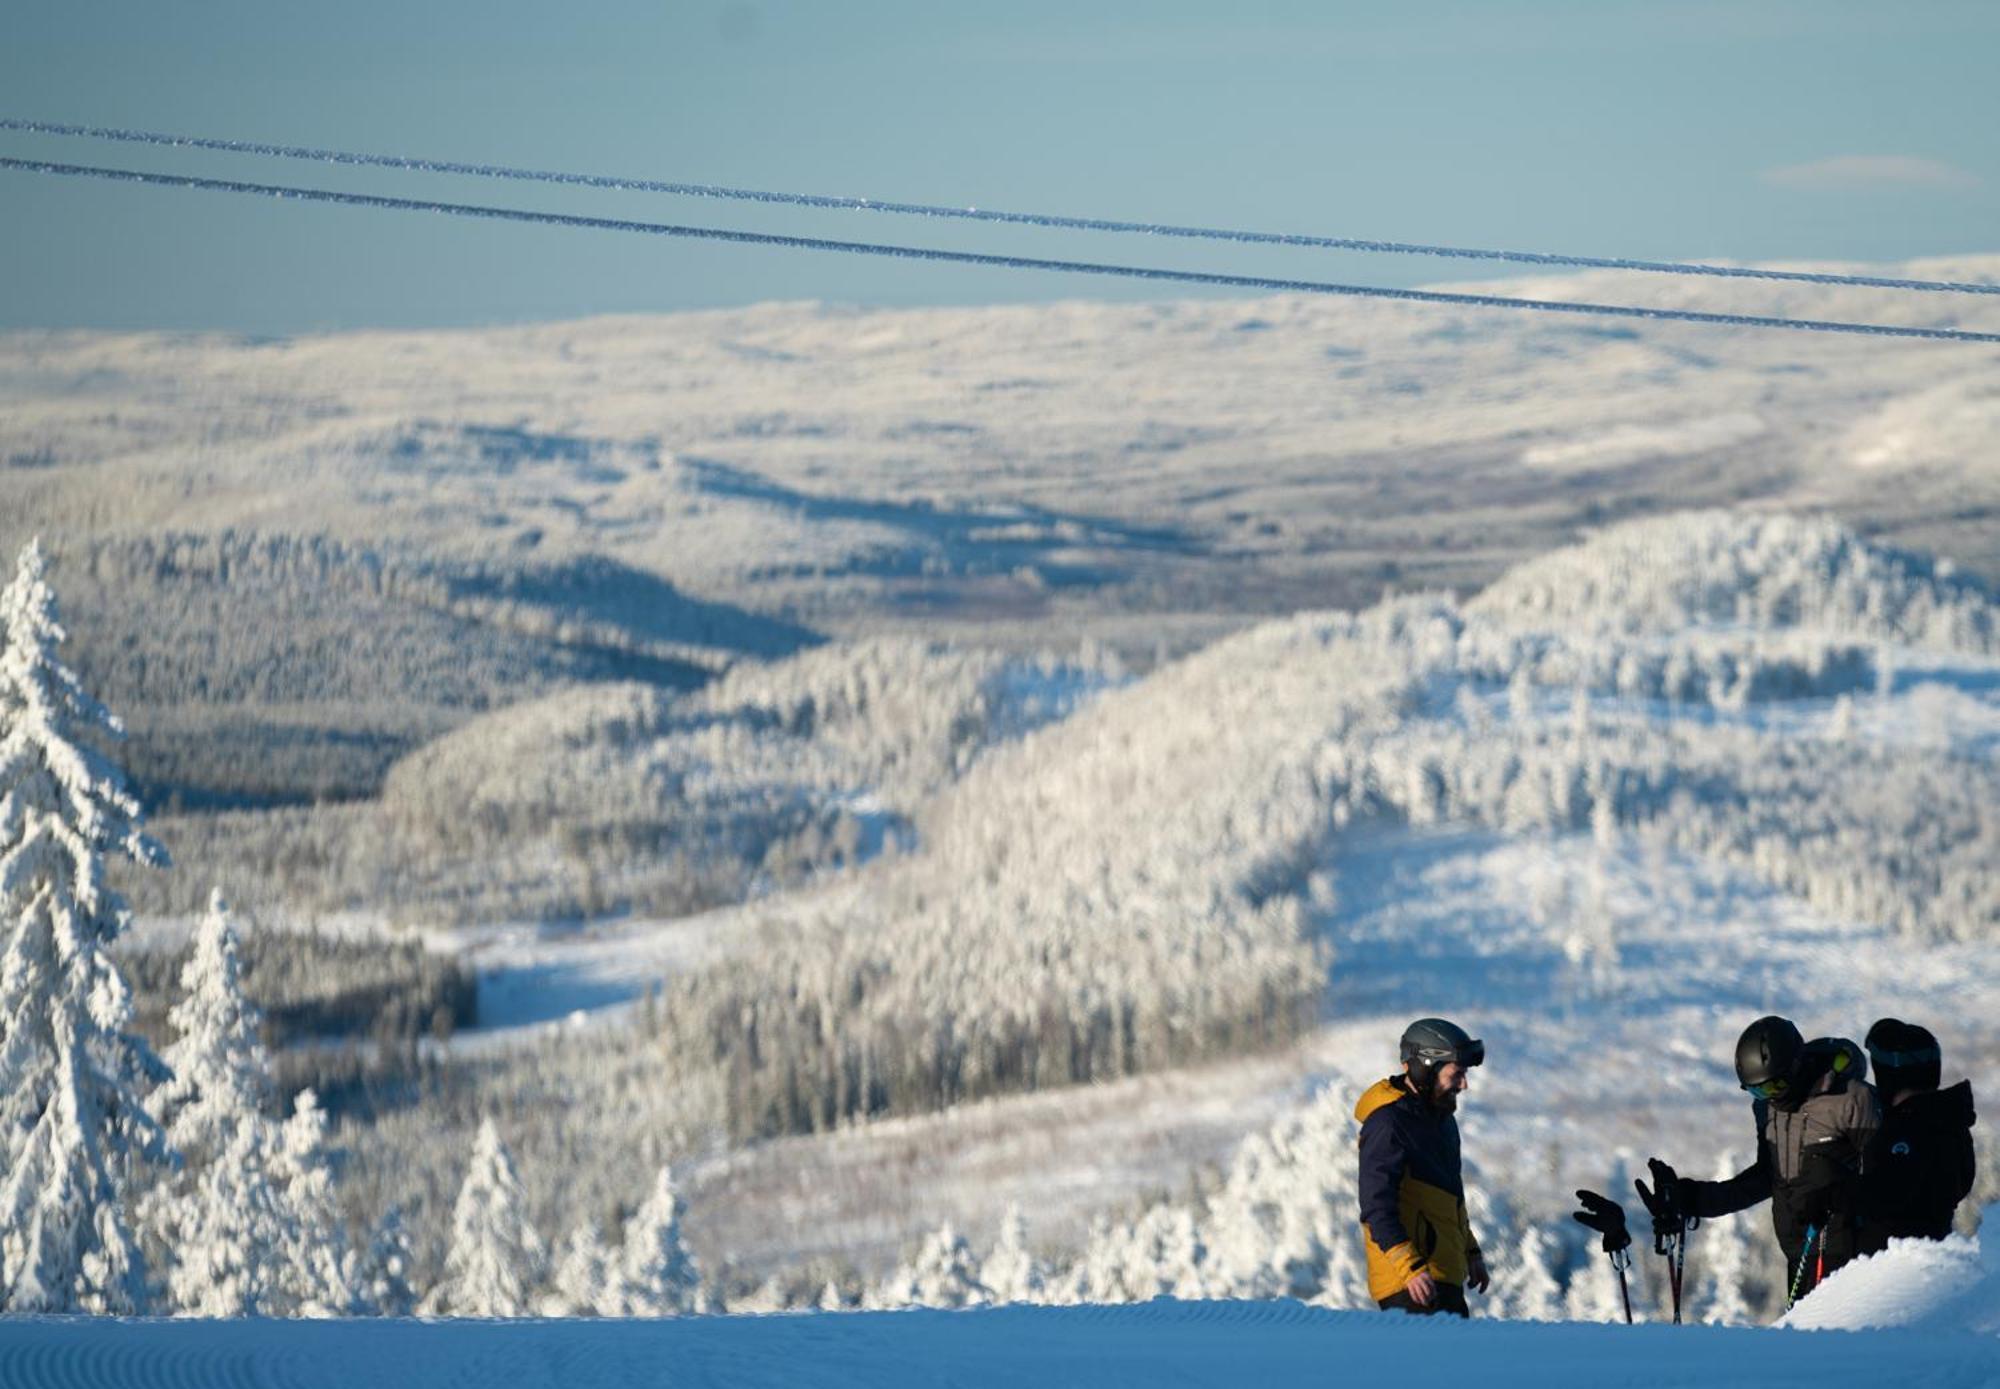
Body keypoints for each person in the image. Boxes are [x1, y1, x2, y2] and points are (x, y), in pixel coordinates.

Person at [1642, 1015, 1880, 1303]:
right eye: (1755, 1090)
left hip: (1855, 1258)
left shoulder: (1851, 1100)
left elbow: (1885, 1179)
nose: (1767, 1097)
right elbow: (1766, 1178)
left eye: (1771, 1087)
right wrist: (1692, 1198)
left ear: (1795, 1066)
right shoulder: (1768, 1110)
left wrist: (1838, 1198)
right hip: (1800, 1254)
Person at [1355, 1017, 1490, 1317]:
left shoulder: (1442, 1122)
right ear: (1426, 1068)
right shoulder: (1388, 1124)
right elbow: (1376, 1205)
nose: (1464, 1084)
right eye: (1457, 1074)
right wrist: (1410, 1268)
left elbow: (1451, 1197)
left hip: (1441, 1276)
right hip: (1411, 1284)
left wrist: (1470, 1251)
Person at [1857, 1018, 1976, 1255]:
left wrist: (1836, 1192)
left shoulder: (1909, 1130)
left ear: (1889, 1076)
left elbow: (1886, 1196)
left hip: (1897, 1265)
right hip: (1928, 1253)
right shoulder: (1949, 1119)